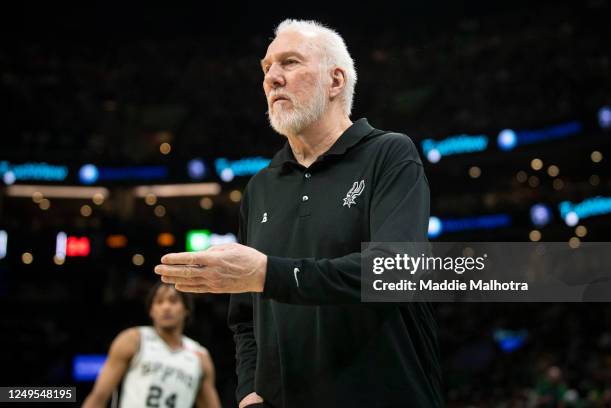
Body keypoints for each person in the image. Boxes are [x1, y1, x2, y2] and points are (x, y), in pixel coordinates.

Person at [155, 19, 443, 408]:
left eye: (289, 63)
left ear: (335, 81)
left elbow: (393, 269)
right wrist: (249, 392)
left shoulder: (389, 154)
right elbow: (244, 317)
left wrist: (268, 273)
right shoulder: (260, 187)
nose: (272, 78)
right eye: (266, 68)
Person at [82, 282, 221, 408]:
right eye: (159, 302)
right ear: (151, 311)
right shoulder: (133, 340)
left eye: (173, 301)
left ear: (186, 310)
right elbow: (99, 396)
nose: (166, 307)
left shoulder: (200, 356)